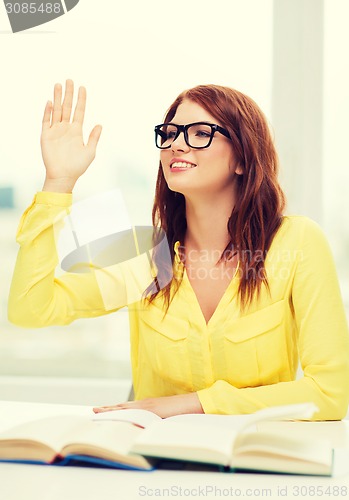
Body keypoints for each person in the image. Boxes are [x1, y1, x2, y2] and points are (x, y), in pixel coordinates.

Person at [8, 80, 349, 420]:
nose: (176, 145)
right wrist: (58, 184)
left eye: (201, 133)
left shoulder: (297, 243)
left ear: (242, 159)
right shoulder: (145, 256)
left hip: (255, 464)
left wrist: (192, 403)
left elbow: (329, 394)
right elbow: (30, 309)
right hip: (158, 463)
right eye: (170, 133)